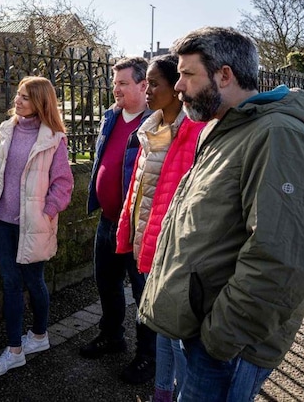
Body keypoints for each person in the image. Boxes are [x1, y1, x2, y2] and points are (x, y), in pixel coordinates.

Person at [139, 27, 304, 401]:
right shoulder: (225, 128)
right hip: (201, 327)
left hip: (227, 345)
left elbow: (283, 257)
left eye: (187, 74)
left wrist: (221, 337)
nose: (178, 86)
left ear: (224, 75)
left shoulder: (277, 135)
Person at [114, 54, 205, 402]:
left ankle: (178, 390)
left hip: (174, 248)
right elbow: (138, 189)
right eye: (147, 82)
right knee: (160, 327)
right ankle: (162, 392)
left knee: (175, 333)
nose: (147, 90)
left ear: (174, 87)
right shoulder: (150, 129)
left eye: (154, 83)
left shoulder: (193, 132)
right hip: (147, 240)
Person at [0, 76, 74, 377]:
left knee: (34, 282)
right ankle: (15, 350)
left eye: (26, 97)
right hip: (3, 221)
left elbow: (63, 184)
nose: (17, 101)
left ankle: (40, 336)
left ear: (41, 103)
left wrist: (47, 211)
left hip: (34, 224)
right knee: (10, 283)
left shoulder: (54, 138)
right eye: (18, 95)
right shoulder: (7, 129)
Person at [80, 56, 157, 385]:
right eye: (115, 83)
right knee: (106, 284)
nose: (116, 89)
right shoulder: (110, 117)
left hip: (137, 225)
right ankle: (112, 336)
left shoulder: (157, 124)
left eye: (123, 83)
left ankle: (147, 356)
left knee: (143, 294)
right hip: (108, 221)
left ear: (143, 85)